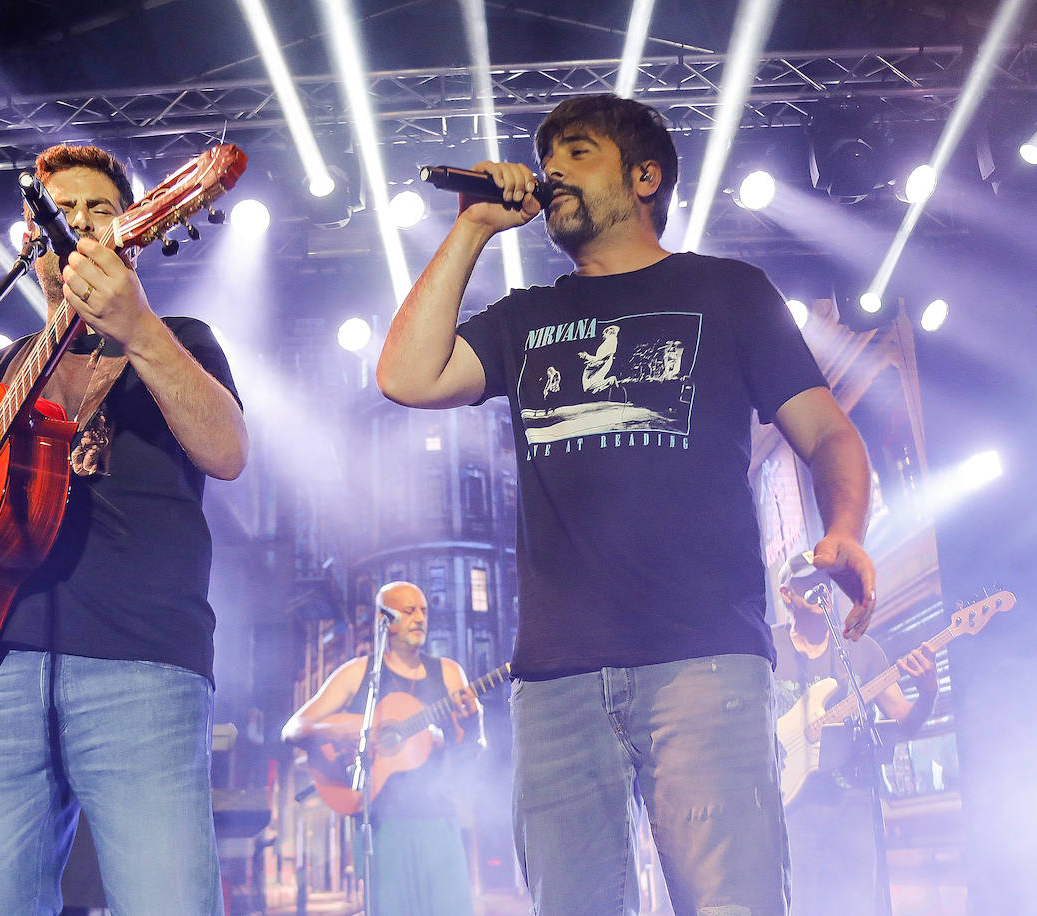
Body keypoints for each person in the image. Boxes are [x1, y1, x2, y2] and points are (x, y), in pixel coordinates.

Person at [376, 92, 878, 915]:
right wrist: (469, 228)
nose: (552, 170)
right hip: (556, 681)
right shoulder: (526, 318)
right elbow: (404, 377)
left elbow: (828, 435)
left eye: (577, 152)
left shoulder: (729, 292)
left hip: (703, 662)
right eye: (548, 157)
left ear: (645, 177)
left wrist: (847, 529)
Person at [0, 143, 248, 915]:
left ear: (133, 229)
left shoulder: (183, 339)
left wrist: (140, 331)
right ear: (31, 242)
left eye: (99, 210)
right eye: (59, 212)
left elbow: (228, 452)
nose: (78, 224)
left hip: (142, 662)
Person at [281, 581, 483, 916]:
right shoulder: (358, 674)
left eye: (423, 611)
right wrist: (350, 729)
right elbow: (293, 730)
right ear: (383, 620)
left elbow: (471, 754)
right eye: (408, 611)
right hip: (380, 824)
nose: (420, 618)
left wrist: (474, 726)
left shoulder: (449, 674)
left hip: (440, 821)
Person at [773, 564, 937, 916]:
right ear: (787, 594)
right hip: (793, 810)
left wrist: (928, 693)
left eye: (824, 582)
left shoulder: (858, 650)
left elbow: (906, 723)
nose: (821, 589)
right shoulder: (768, 649)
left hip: (854, 806)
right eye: (808, 584)